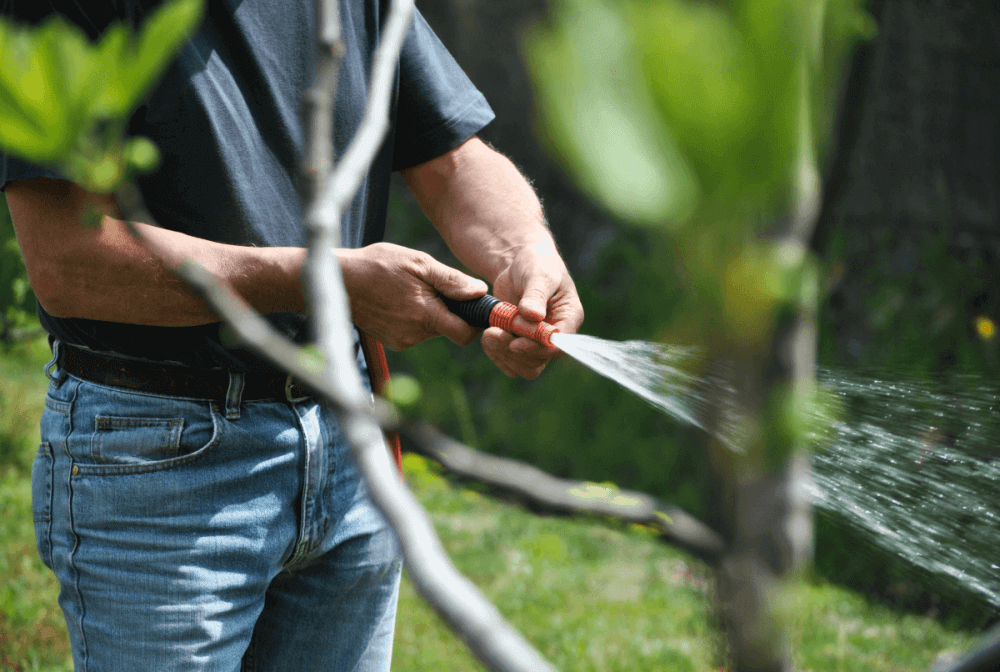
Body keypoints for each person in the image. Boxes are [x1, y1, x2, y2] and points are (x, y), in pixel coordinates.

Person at [0, 1, 583, 670]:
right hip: (160, 461)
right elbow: (67, 261)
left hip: (347, 433)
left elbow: (452, 159)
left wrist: (526, 254)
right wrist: (322, 281)